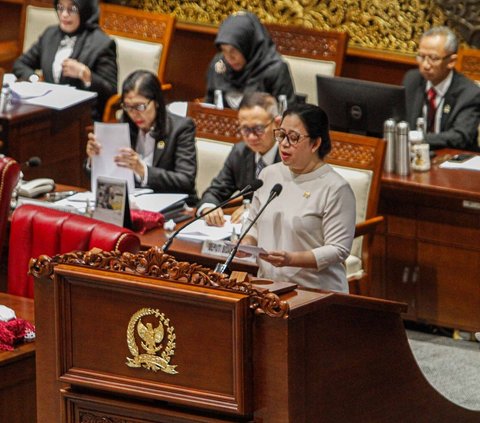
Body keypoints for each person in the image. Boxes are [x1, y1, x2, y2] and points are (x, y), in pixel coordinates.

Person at [242, 104, 356, 293]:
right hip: (268, 288)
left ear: (315, 143)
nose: (284, 144)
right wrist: (247, 243)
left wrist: (291, 259)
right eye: (281, 135)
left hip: (316, 292)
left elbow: (338, 249)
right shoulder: (269, 175)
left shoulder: (335, 188)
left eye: (294, 138)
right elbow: (254, 224)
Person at [86, 70, 197, 204]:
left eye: (140, 106)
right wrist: (95, 159)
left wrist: (142, 170)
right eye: (128, 107)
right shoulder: (124, 123)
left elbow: (186, 181)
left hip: (172, 205)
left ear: (156, 102)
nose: (134, 114)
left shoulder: (181, 128)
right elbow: (105, 174)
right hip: (132, 202)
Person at [13, 0, 117, 121]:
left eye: (72, 9)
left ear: (84, 10)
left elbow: (111, 92)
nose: (64, 14)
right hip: (45, 111)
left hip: (81, 117)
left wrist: (85, 75)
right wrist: (35, 79)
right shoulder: (50, 34)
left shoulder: (102, 43)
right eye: (60, 7)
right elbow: (20, 64)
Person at [198, 92, 281, 226]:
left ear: (277, 123)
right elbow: (215, 191)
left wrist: (254, 211)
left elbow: (295, 203)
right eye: (245, 129)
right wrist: (209, 207)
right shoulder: (240, 152)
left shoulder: (291, 156)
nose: (252, 137)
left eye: (258, 129)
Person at [403, 26, 480, 151]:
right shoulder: (412, 80)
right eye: (421, 57)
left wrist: (418, 138)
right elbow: (400, 120)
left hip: (453, 161)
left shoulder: (470, 93)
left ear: (451, 61)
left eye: (433, 58)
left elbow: (459, 136)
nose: (425, 65)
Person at [205, 11, 295, 110]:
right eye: (224, 50)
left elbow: (286, 114)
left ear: (248, 46)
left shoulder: (275, 69)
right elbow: (209, 104)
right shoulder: (220, 64)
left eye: (233, 50)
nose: (229, 58)